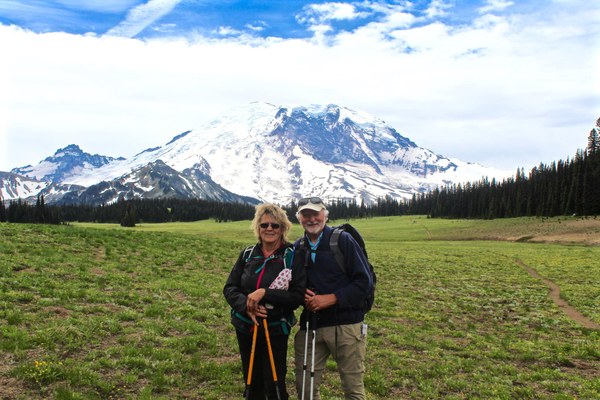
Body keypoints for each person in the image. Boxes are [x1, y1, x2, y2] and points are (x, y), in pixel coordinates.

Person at [224, 203, 306, 400]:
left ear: (283, 228)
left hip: (275, 328)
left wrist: (265, 293)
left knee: (275, 383)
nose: (269, 229)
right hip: (245, 326)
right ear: (258, 228)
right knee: (252, 381)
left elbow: (297, 296)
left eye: (275, 225)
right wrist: (246, 306)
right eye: (264, 225)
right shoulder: (248, 254)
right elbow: (230, 288)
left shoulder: (292, 256)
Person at [293, 197, 373, 400]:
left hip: (346, 325)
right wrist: (300, 293)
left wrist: (332, 298)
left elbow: (364, 283)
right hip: (311, 325)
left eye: (315, 213)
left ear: (325, 215)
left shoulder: (343, 240)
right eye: (306, 215)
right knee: (305, 390)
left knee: (353, 390)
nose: (311, 219)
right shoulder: (298, 247)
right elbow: (292, 283)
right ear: (299, 219)